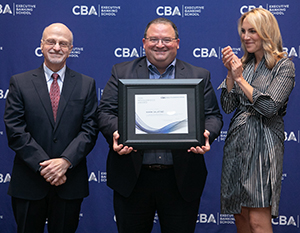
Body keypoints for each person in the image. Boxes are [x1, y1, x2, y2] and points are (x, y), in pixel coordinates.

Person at [97, 17, 223, 233]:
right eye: (153, 39)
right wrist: (119, 132)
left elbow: (213, 116)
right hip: (133, 179)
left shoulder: (199, 75)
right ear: (144, 42)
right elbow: (105, 112)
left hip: (181, 179)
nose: (160, 44)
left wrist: (205, 134)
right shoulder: (121, 72)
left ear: (177, 43)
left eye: (167, 39)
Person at [4, 23, 98, 233]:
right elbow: (15, 129)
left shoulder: (86, 84)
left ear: (71, 49)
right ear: (41, 45)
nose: (57, 47)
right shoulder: (20, 82)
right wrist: (46, 167)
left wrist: (65, 162)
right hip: (29, 181)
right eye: (51, 41)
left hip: (69, 182)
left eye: (63, 43)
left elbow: (90, 129)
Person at [218, 8, 295, 233]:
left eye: (253, 31)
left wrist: (239, 78)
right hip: (236, 142)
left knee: (257, 221)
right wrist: (230, 75)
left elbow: (269, 107)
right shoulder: (242, 63)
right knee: (240, 215)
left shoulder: (284, 65)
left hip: (263, 143)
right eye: (243, 31)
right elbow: (227, 106)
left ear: (266, 33)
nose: (245, 36)